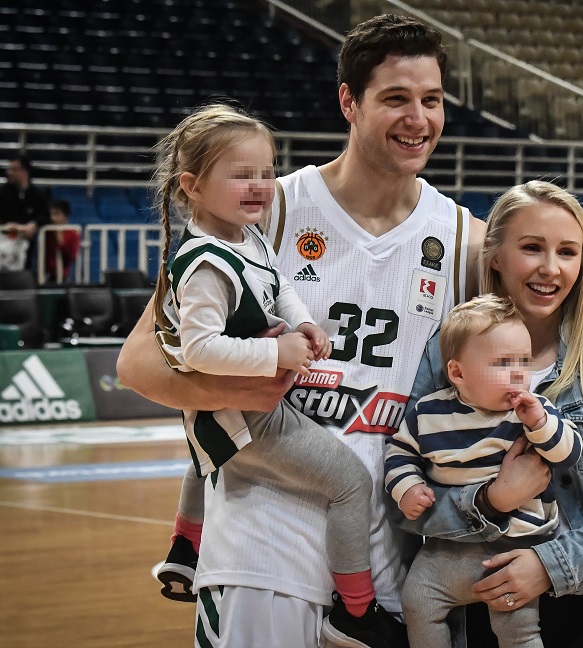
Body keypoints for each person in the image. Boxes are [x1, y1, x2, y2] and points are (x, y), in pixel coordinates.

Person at [117, 13, 486, 647]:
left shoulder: (464, 239)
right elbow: (138, 363)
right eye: (396, 98)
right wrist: (238, 385)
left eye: (432, 100)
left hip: (385, 552)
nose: (418, 119)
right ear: (349, 101)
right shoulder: (267, 206)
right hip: (260, 537)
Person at [146, 103, 405, 647]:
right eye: (241, 175)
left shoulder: (245, 235)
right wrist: (276, 353)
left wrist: (304, 321)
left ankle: (184, 548)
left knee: (206, 451)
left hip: (226, 414)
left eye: (266, 172)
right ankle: (357, 611)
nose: (260, 186)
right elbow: (199, 348)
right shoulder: (206, 265)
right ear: (192, 186)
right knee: (350, 482)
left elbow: (278, 283)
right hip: (247, 414)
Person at [397, 180, 583, 648]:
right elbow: (411, 499)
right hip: (483, 609)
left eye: (568, 252)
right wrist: (492, 501)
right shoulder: (444, 353)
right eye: (532, 247)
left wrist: (551, 566)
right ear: (495, 256)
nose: (550, 268)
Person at [385, 295, 582, 648]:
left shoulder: (532, 411)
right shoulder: (428, 413)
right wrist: (408, 488)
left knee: (518, 631)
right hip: (449, 544)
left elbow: (569, 453)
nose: (519, 373)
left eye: (524, 361)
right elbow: (399, 453)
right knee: (417, 600)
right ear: (458, 373)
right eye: (503, 363)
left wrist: (540, 424)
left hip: (516, 548)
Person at [0, 153, 49, 272]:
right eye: (9, 169)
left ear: (24, 171)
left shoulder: (38, 194)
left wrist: (34, 224)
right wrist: (8, 227)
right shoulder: (2, 193)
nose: (9, 172)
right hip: (6, 239)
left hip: (27, 242)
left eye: (14, 169)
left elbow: (45, 216)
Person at [43, 200, 80, 282]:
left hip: (64, 276)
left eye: (57, 214)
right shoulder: (46, 232)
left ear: (66, 216)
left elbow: (72, 257)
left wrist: (60, 241)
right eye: (51, 214)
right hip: (47, 275)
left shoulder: (73, 233)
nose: (52, 218)